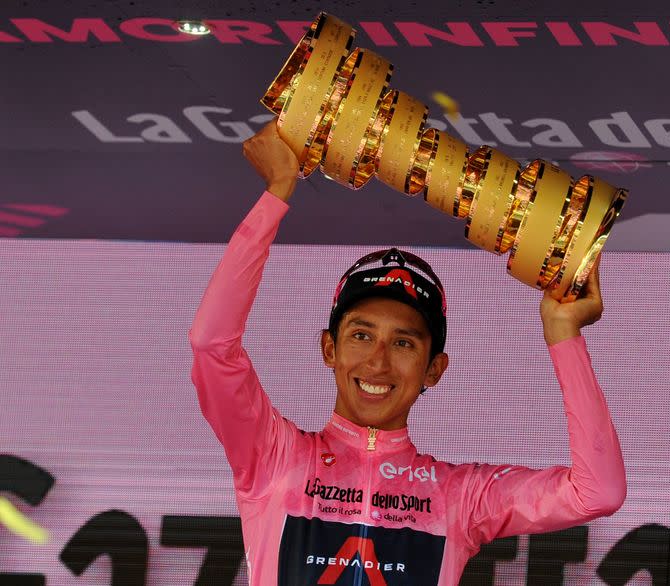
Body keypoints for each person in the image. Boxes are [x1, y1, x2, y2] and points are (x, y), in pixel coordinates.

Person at [189, 120, 626, 585]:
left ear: (434, 369)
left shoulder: (459, 497)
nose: (378, 362)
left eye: (403, 343)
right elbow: (211, 344)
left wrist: (564, 334)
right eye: (361, 335)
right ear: (328, 348)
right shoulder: (274, 459)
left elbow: (597, 492)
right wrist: (277, 192)